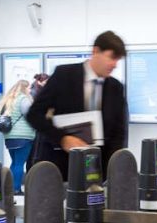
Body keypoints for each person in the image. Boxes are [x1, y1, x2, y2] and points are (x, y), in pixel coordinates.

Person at [26, 31, 127, 178]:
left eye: (118, 60)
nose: (115, 64)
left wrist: (112, 172)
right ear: (96, 51)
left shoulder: (115, 88)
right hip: (60, 168)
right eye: (111, 57)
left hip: (96, 171)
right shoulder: (64, 75)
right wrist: (63, 138)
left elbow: (118, 133)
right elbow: (34, 115)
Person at [0, 80, 36, 193]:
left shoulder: (7, 100)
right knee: (19, 163)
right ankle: (16, 189)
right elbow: (30, 116)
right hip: (23, 136)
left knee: (14, 162)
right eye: (29, 88)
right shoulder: (23, 99)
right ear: (24, 88)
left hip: (9, 136)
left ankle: (9, 188)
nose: (30, 90)